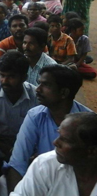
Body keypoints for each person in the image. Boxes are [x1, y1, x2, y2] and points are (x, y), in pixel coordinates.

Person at [6, 64, 91, 193]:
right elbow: (18, 164)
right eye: (39, 84)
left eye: (46, 85)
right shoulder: (35, 116)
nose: (37, 89)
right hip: (40, 181)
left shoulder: (88, 124)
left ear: (63, 92)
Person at [11, 112, 97, 196]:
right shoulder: (45, 165)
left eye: (65, 140)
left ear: (92, 151)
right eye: (59, 135)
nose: (55, 142)